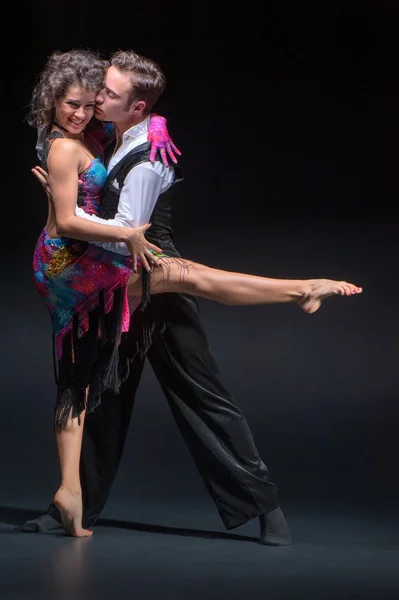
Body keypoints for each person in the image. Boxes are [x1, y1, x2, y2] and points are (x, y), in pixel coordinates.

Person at [23, 49, 362, 542]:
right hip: (110, 271)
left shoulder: (146, 155)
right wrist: (63, 201)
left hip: (142, 268)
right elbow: (81, 171)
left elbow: (125, 226)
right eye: (97, 93)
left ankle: (264, 507)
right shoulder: (108, 132)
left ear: (135, 108)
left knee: (199, 390)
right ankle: (75, 504)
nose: (96, 101)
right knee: (104, 393)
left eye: (107, 95)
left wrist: (70, 210)